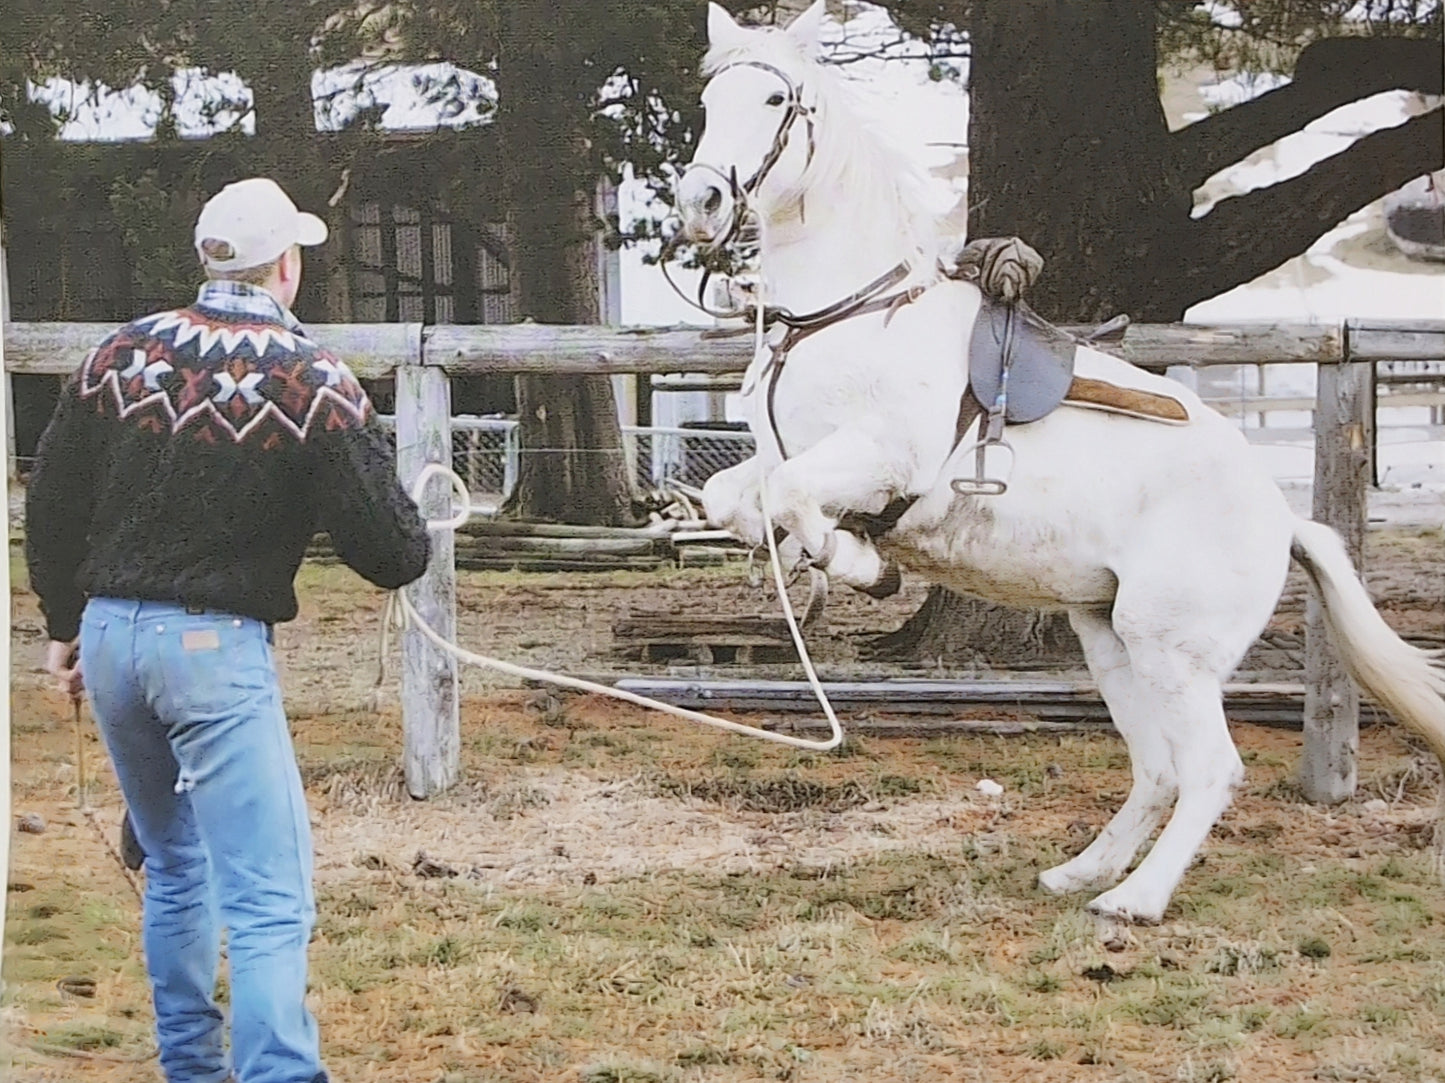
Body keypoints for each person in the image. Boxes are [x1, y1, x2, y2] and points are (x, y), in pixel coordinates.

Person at [25, 176, 432, 1083]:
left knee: (174, 863)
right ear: (287, 265)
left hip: (109, 639)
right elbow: (391, 550)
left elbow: (51, 499)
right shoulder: (311, 378)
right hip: (211, 650)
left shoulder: (118, 355)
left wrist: (62, 624)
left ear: (207, 258)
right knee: (267, 898)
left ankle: (192, 1068)